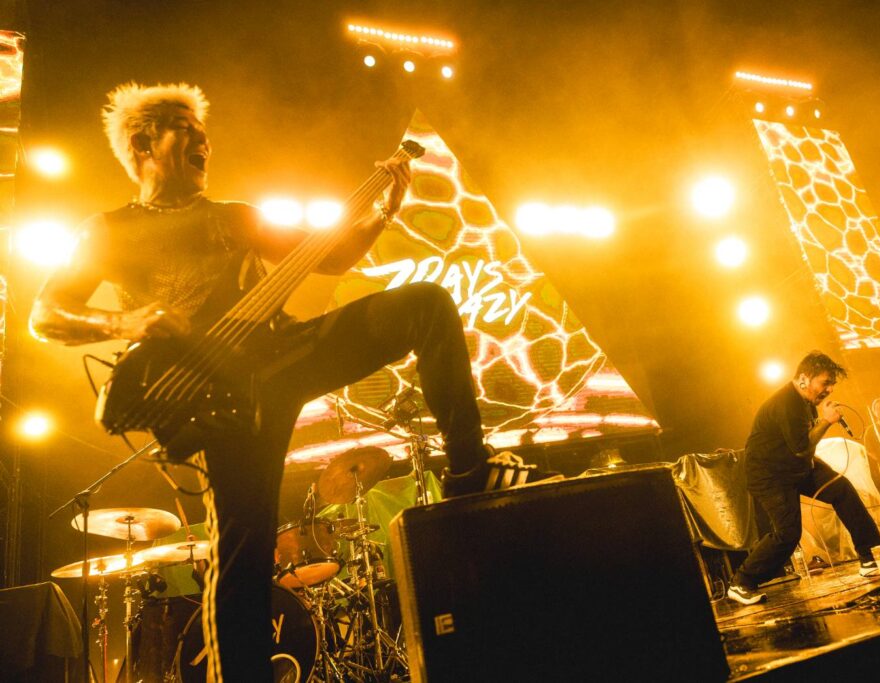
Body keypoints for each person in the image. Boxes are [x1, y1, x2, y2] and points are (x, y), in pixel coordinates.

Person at [29, 82, 524, 681]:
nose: (204, 140)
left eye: (204, 131)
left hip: (286, 353)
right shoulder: (107, 230)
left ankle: (468, 472)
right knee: (242, 555)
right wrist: (125, 321)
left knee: (426, 304)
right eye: (186, 128)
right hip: (218, 397)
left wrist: (385, 209)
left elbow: (332, 257)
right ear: (142, 144)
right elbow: (46, 315)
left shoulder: (234, 217)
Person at [726, 351, 880, 605]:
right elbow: (801, 447)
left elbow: (801, 449)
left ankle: (870, 557)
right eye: (825, 383)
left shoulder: (804, 401)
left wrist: (820, 421)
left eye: (832, 384)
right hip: (770, 474)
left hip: (796, 466)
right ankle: (742, 581)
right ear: (804, 378)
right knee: (788, 533)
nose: (829, 390)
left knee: (841, 489)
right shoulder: (786, 403)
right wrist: (826, 421)